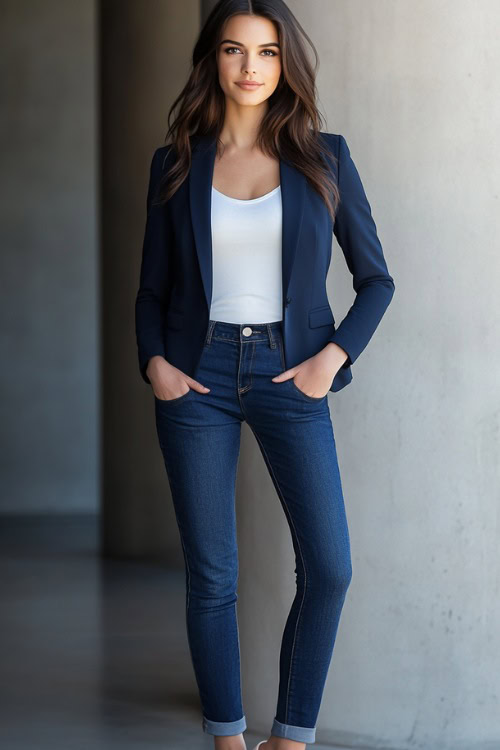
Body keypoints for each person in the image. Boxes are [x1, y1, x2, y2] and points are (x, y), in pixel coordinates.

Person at [135, 2, 395, 749]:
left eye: (268, 52)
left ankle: (291, 737)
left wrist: (330, 360)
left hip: (292, 371)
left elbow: (376, 280)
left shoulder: (325, 156)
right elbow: (151, 288)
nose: (251, 67)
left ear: (286, 64)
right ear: (212, 60)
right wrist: (155, 361)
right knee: (213, 575)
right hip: (196, 377)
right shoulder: (177, 160)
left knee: (331, 567)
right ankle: (226, 739)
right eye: (234, 50)